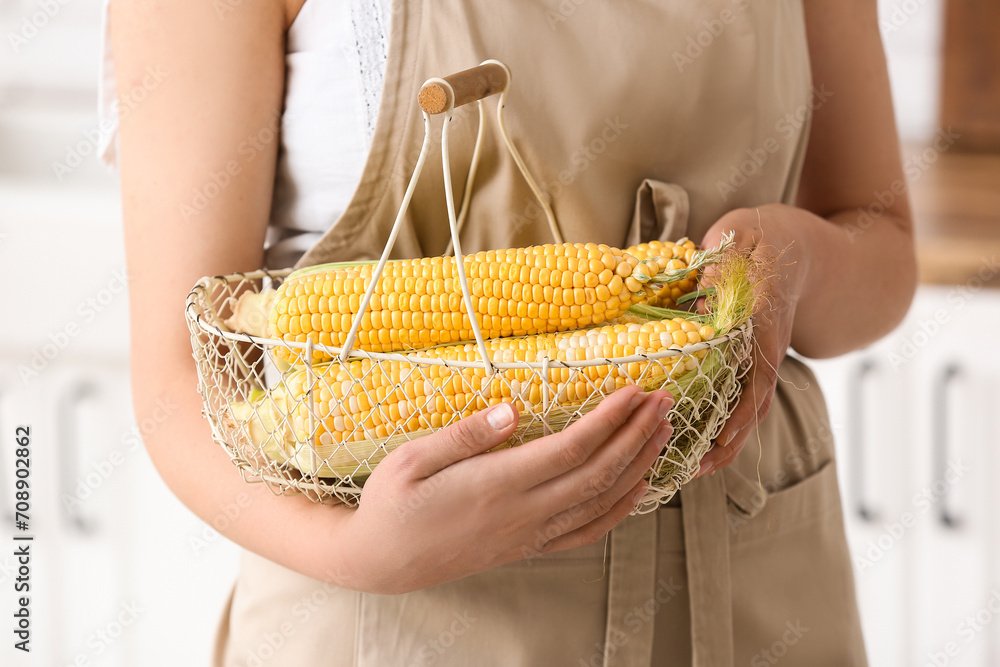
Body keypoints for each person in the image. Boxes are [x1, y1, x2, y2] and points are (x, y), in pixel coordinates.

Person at [106, 0, 915, 664]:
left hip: (758, 595)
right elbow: (181, 377)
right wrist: (356, 553)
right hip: (412, 623)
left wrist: (794, 260)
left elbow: (883, 246)